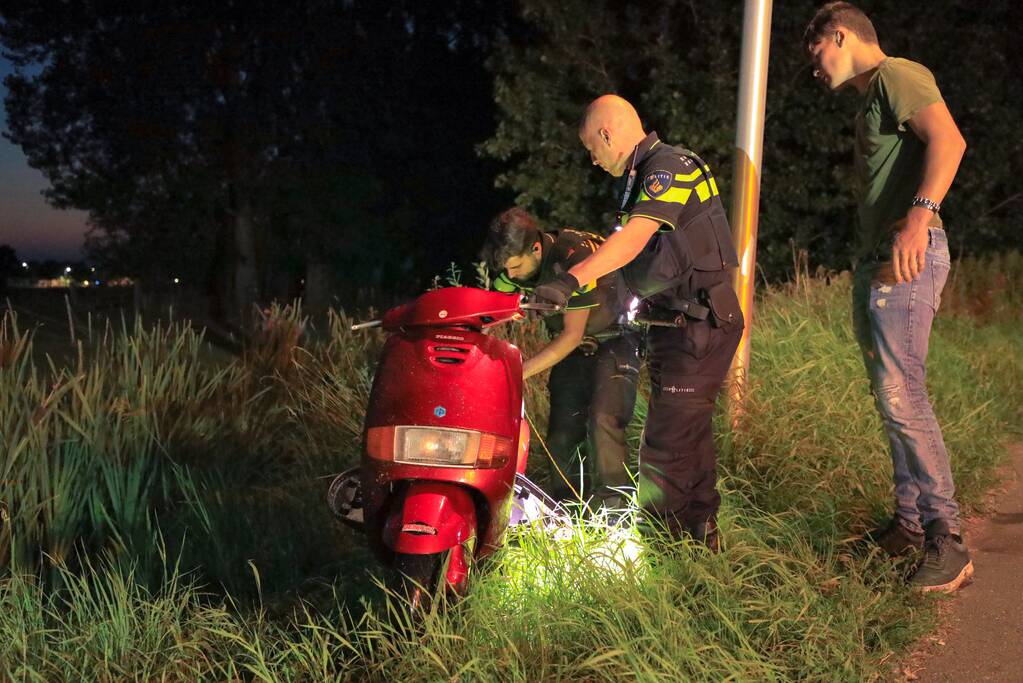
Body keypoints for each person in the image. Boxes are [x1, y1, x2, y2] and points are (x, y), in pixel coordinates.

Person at [804, 3, 971, 592]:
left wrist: (917, 220)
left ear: (841, 35)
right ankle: (909, 524)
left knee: (904, 393)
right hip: (880, 259)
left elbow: (949, 142)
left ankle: (946, 540)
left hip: (907, 255)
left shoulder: (898, 74)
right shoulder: (873, 98)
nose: (815, 68)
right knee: (890, 395)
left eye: (816, 53)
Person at [530, 95, 743, 550]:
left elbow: (633, 240)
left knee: (664, 445)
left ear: (607, 135)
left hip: (700, 321)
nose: (592, 159)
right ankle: (702, 538)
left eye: (592, 148)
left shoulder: (668, 166)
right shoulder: (639, 178)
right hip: (675, 325)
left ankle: (662, 548)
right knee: (690, 434)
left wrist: (568, 281)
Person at [481, 208, 641, 505]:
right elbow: (493, 305)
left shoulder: (573, 256)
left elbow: (572, 335)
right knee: (561, 435)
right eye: (506, 269)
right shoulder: (511, 266)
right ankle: (568, 510)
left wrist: (515, 373)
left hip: (615, 340)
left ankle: (615, 513)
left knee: (604, 421)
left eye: (515, 267)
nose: (511, 275)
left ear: (537, 248)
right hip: (574, 350)